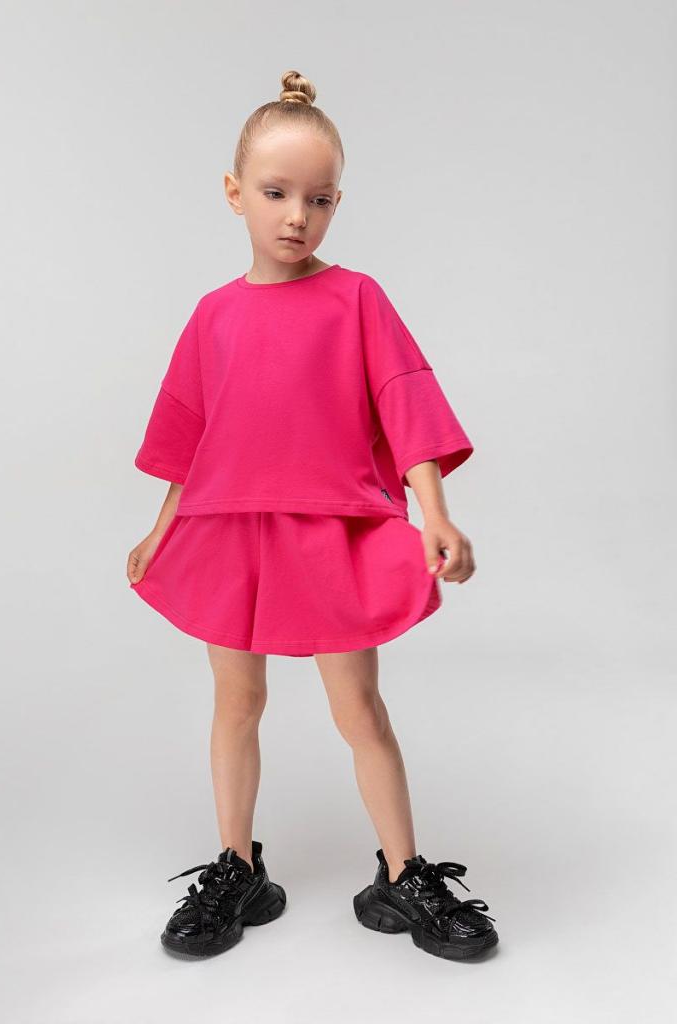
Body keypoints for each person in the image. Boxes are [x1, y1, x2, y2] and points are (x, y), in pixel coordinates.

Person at [126, 70, 498, 962]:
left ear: (336, 203)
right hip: (233, 531)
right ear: (234, 193)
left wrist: (435, 512)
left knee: (359, 708)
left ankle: (404, 874)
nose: (298, 216)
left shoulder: (357, 297)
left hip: (334, 528)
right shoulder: (213, 315)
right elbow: (190, 435)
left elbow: (403, 401)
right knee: (236, 701)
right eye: (276, 193)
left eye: (320, 199)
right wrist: (160, 528)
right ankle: (237, 867)